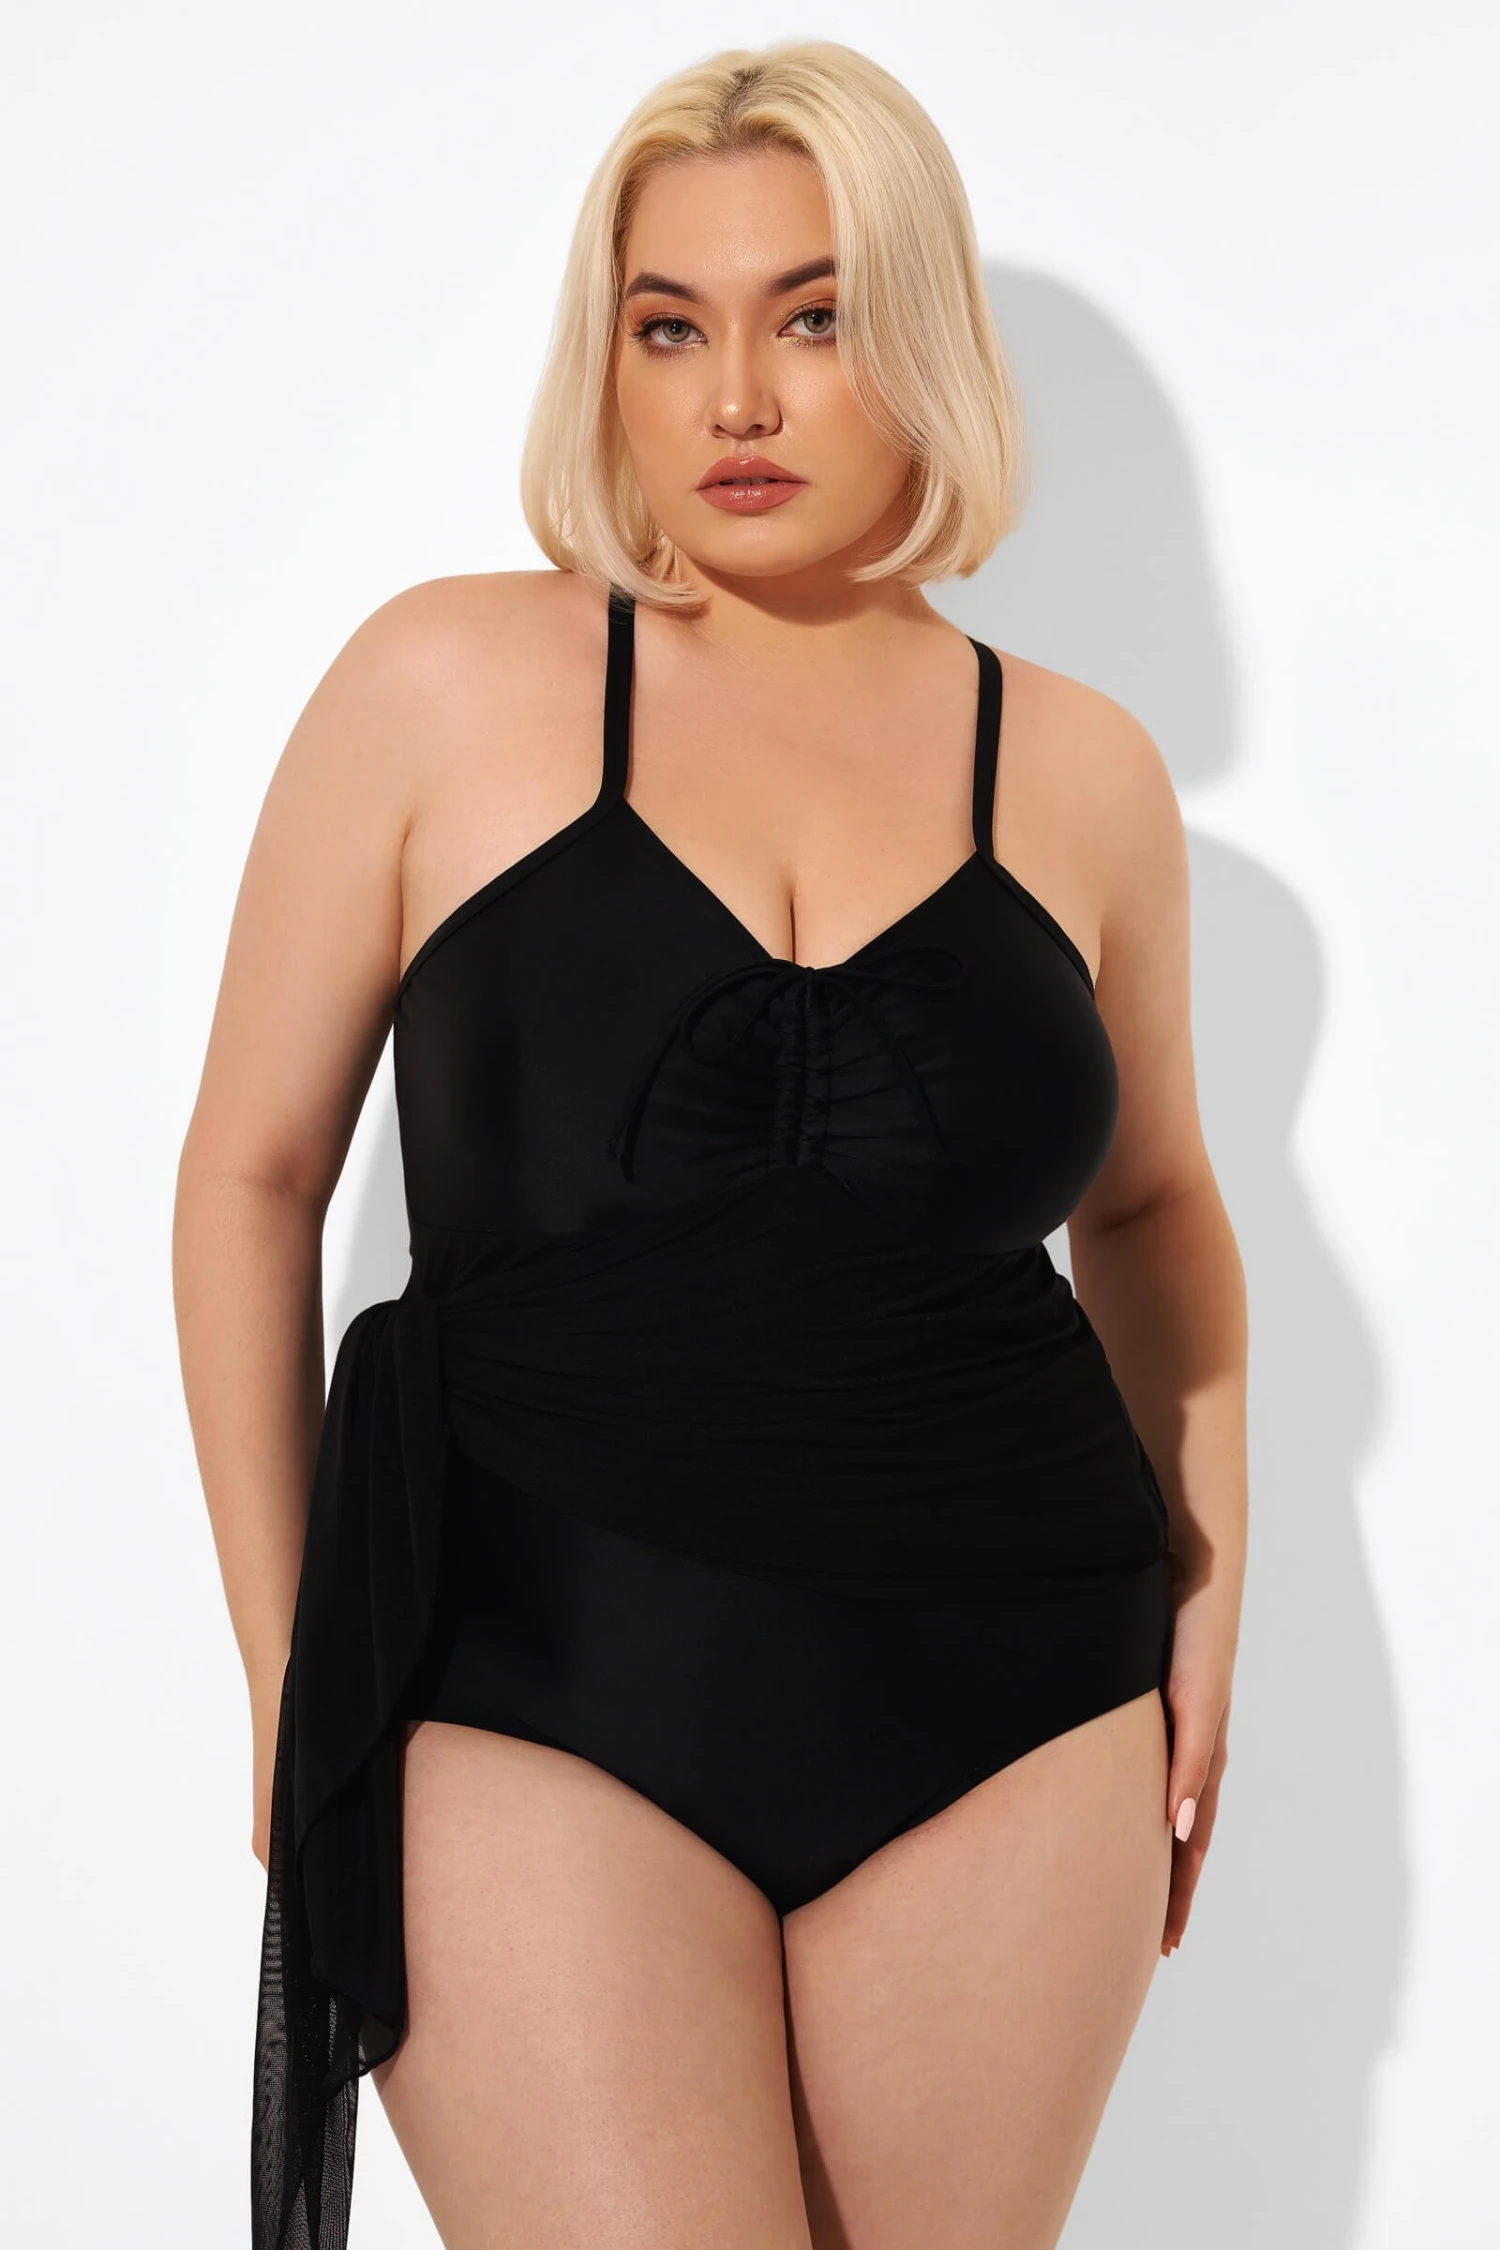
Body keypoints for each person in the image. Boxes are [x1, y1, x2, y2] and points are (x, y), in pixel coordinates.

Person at [173, 37, 1247, 2250]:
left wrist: (1213, 1602)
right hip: (524, 1664)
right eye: (670, 327)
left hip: (1017, 1685)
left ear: (923, 338)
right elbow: (249, 1180)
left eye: (813, 317)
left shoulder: (1078, 769)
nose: (736, 399)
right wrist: (292, 1672)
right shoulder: (440, 686)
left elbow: (1151, 1203)